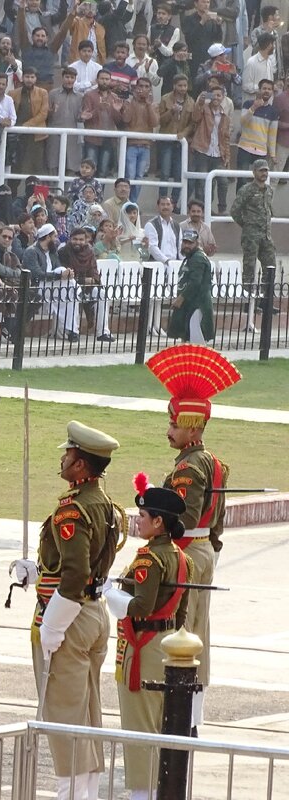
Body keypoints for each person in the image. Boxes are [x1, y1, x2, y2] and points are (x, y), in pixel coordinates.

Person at [13, 421, 123, 800]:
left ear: (81, 466)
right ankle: (86, 792)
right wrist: (39, 569)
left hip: (70, 618)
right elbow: (81, 566)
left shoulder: (72, 511)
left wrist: (53, 627)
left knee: (62, 716)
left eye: (69, 454)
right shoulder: (105, 503)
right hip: (94, 613)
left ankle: (72, 793)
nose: (62, 458)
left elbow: (75, 575)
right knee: (87, 711)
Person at [148, 343, 241, 732]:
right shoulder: (216, 463)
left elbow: (181, 520)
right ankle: (193, 715)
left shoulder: (188, 468)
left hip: (186, 553)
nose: (168, 430)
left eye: (173, 423)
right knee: (199, 629)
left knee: (182, 631)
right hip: (204, 551)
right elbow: (216, 523)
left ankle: (184, 717)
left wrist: (156, 513)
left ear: (192, 425)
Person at [103, 478, 191, 800]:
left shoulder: (147, 560)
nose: (138, 520)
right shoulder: (183, 560)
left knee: (140, 731)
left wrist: (110, 592)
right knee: (160, 727)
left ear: (158, 522)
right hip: (168, 647)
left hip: (145, 648)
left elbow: (140, 608)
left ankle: (143, 794)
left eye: (143, 516)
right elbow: (181, 614)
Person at [229, 159, 276, 331]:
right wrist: (247, 225)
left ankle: (265, 301)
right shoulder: (247, 190)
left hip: (266, 235)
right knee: (249, 268)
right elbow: (234, 211)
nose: (264, 174)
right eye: (261, 171)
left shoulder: (269, 190)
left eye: (266, 171)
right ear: (254, 172)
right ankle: (248, 303)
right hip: (251, 235)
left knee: (270, 267)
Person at [167, 230, 214, 343]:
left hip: (197, 304)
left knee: (196, 339)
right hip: (189, 303)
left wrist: (181, 298)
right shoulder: (190, 257)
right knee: (186, 337)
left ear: (196, 243)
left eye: (190, 243)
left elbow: (195, 282)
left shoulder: (198, 258)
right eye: (185, 242)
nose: (187, 245)